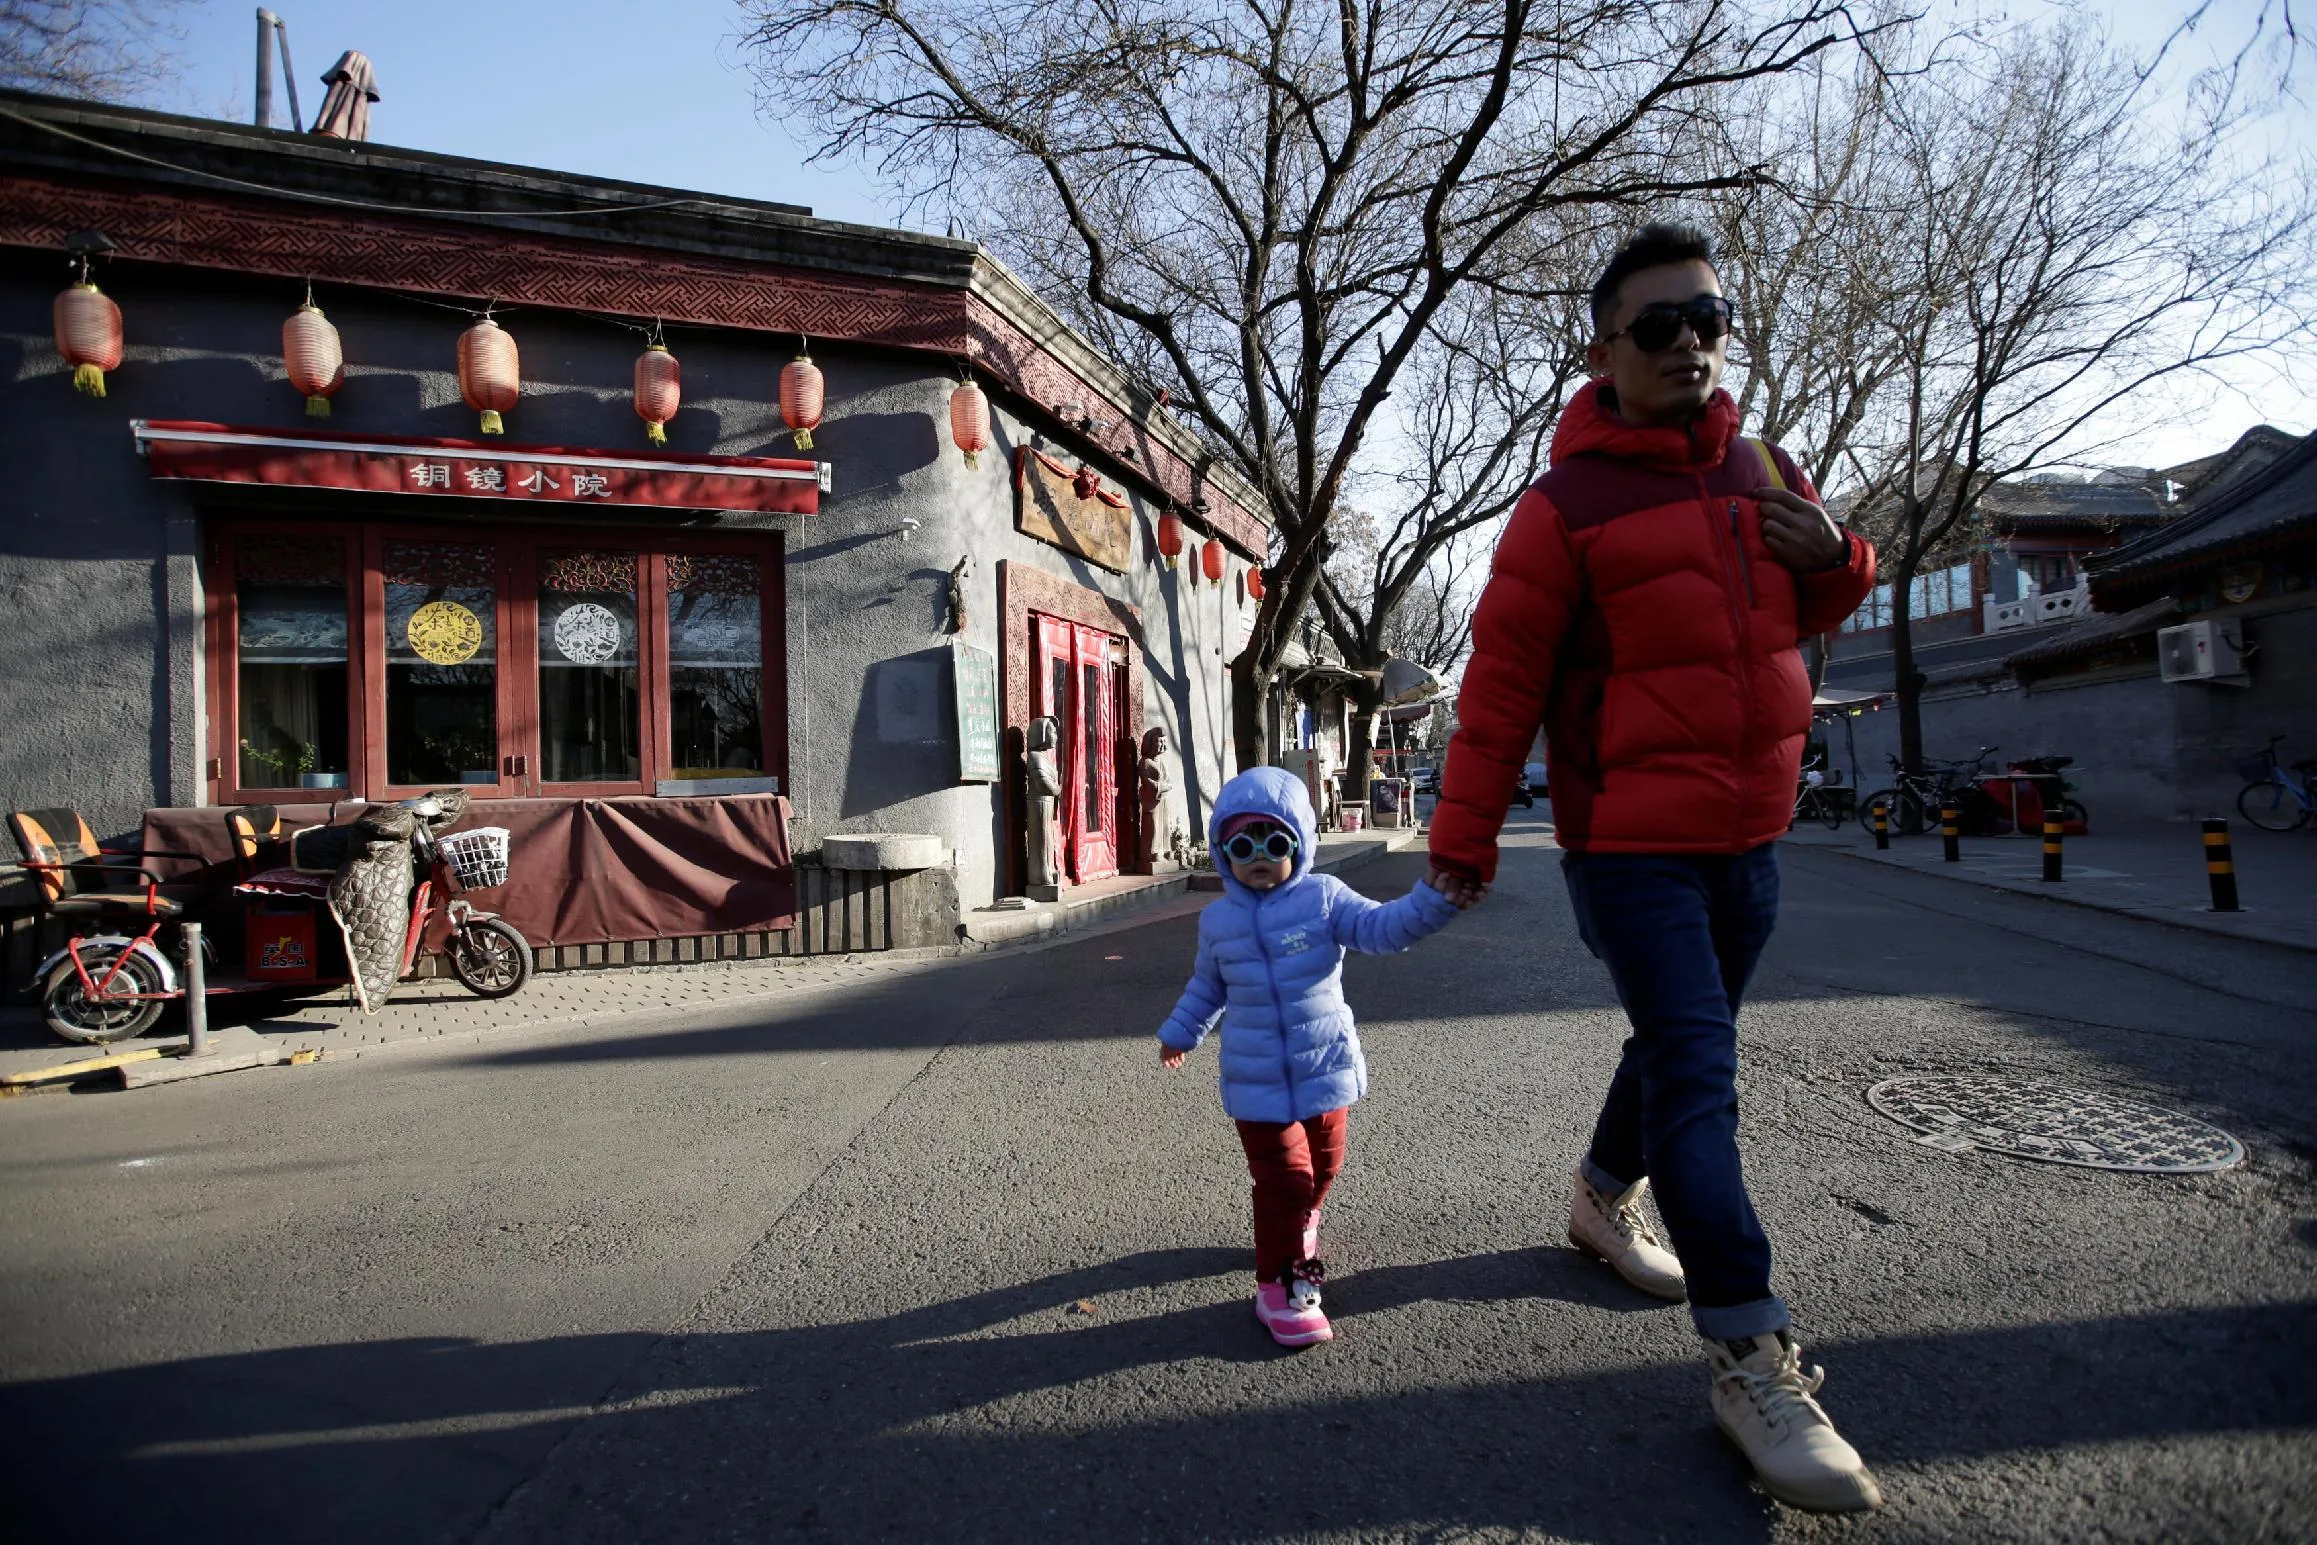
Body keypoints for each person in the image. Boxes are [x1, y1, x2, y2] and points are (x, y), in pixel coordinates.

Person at [1427, 223, 1883, 1512]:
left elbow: (1788, 621)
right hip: (1630, 845)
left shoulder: (1764, 470)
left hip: (1752, 836)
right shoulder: (1562, 508)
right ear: (1602, 353)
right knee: (1697, 1069)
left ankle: (1594, 1196)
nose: (1689, 344)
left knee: (1682, 1043)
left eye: (1707, 320)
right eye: (1657, 326)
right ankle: (1751, 1354)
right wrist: (1461, 840)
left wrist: (1842, 561)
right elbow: (1502, 684)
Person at [1158, 766, 1471, 1347]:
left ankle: (1301, 1219)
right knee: (1284, 1178)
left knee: (1322, 1169)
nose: (1259, 858)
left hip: (1323, 1065)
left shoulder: (1324, 898)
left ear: (1299, 843)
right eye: (1242, 846)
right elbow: (1207, 986)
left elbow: (1382, 928)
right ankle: (1281, 1286)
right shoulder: (1218, 920)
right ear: (1223, 852)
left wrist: (1432, 902)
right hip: (1254, 1078)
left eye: (1274, 843)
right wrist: (1182, 1031)